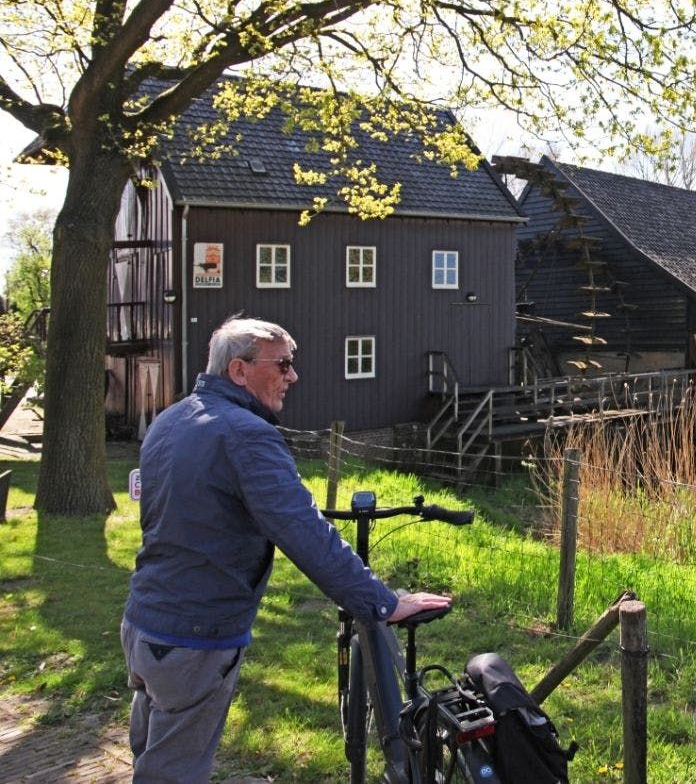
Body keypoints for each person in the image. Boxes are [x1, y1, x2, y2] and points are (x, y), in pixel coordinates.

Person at [121, 316, 450, 783]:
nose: (292, 376)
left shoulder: (171, 419)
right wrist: (384, 602)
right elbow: (304, 531)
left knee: (151, 755)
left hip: (144, 624)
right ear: (239, 370)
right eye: (283, 365)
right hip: (195, 635)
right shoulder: (246, 434)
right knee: (172, 773)